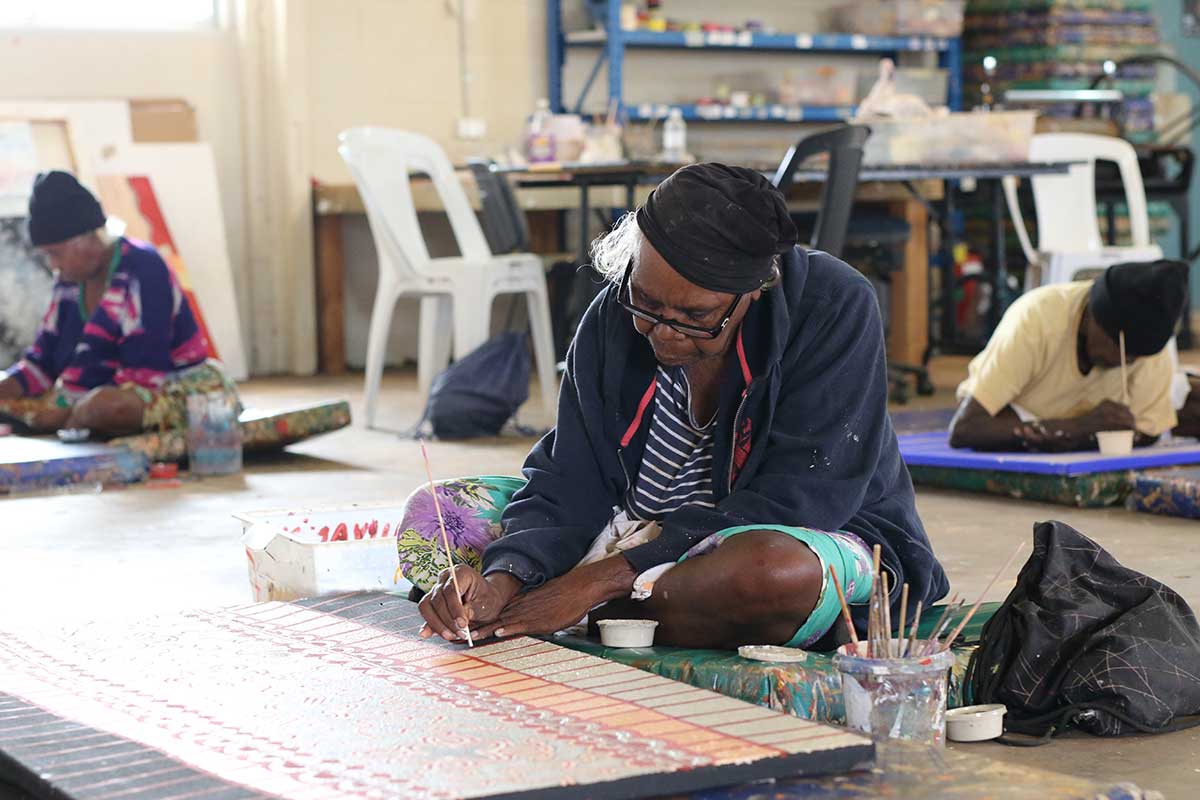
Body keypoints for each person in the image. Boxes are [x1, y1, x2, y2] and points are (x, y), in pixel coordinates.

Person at [403, 163, 947, 651]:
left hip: (786, 533)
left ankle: (595, 612)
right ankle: (593, 612)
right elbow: (570, 475)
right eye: (648, 304)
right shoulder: (613, 313)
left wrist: (593, 582)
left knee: (769, 575)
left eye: (694, 315)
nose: (663, 332)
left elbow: (804, 497)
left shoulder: (832, 306)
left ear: (756, 289)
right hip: (631, 530)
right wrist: (504, 578)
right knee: (435, 515)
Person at [0, 171, 239, 437]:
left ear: (89, 239)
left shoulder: (144, 268)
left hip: (170, 386)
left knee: (106, 407)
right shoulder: (69, 280)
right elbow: (42, 360)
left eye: (56, 253)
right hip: (95, 391)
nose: (53, 265)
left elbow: (145, 374)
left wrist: (68, 410)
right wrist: (10, 385)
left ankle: (76, 419)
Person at [949, 260, 1188, 452]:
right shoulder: (1037, 319)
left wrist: (1080, 433)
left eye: (1135, 357)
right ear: (1090, 318)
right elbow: (965, 429)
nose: (1124, 361)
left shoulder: (1148, 350)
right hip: (1018, 409)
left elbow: (1148, 431)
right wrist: (1080, 427)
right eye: (1117, 347)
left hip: (1044, 428)